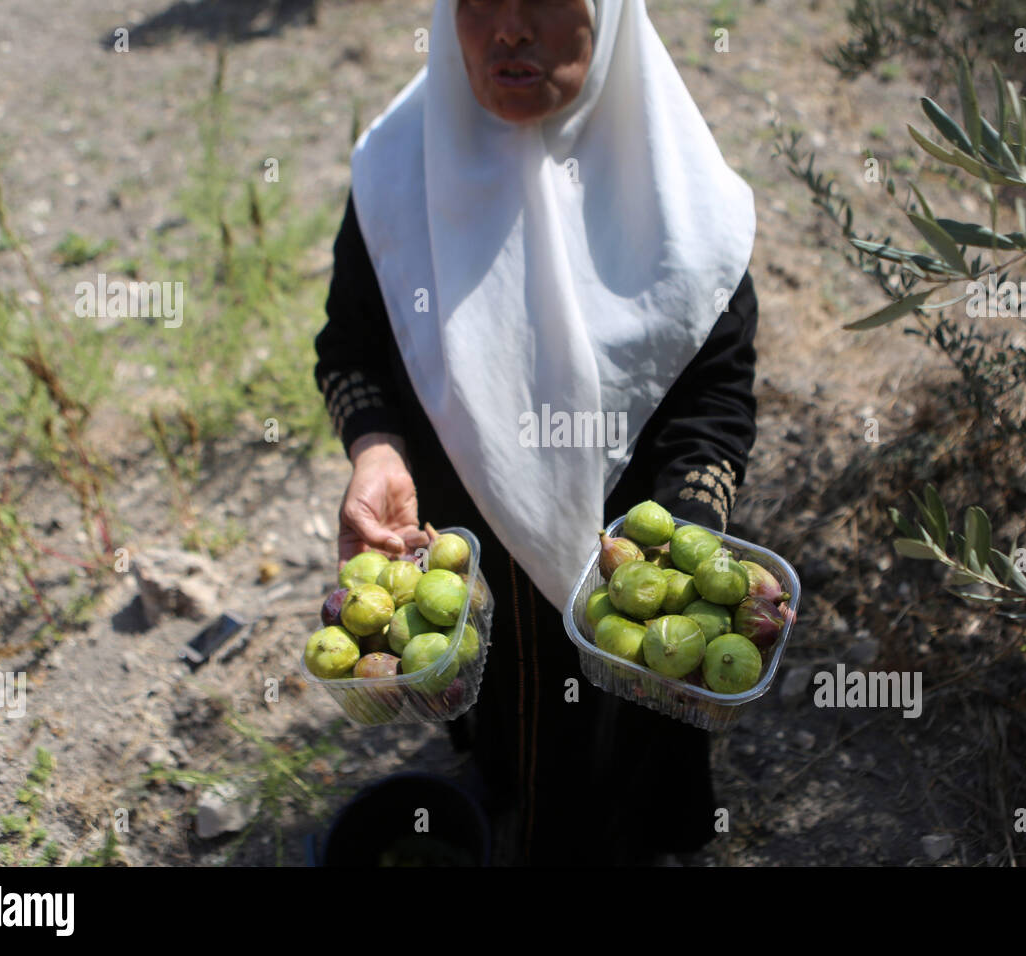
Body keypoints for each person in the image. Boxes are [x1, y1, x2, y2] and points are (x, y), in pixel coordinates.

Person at [314, 0, 758, 866]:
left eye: (548, 1)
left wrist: (685, 535)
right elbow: (349, 350)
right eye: (480, 2)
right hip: (469, 558)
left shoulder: (679, 192)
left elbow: (716, 401)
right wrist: (376, 449)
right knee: (508, 732)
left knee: (635, 761)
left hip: (636, 579)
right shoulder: (398, 167)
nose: (509, 30)